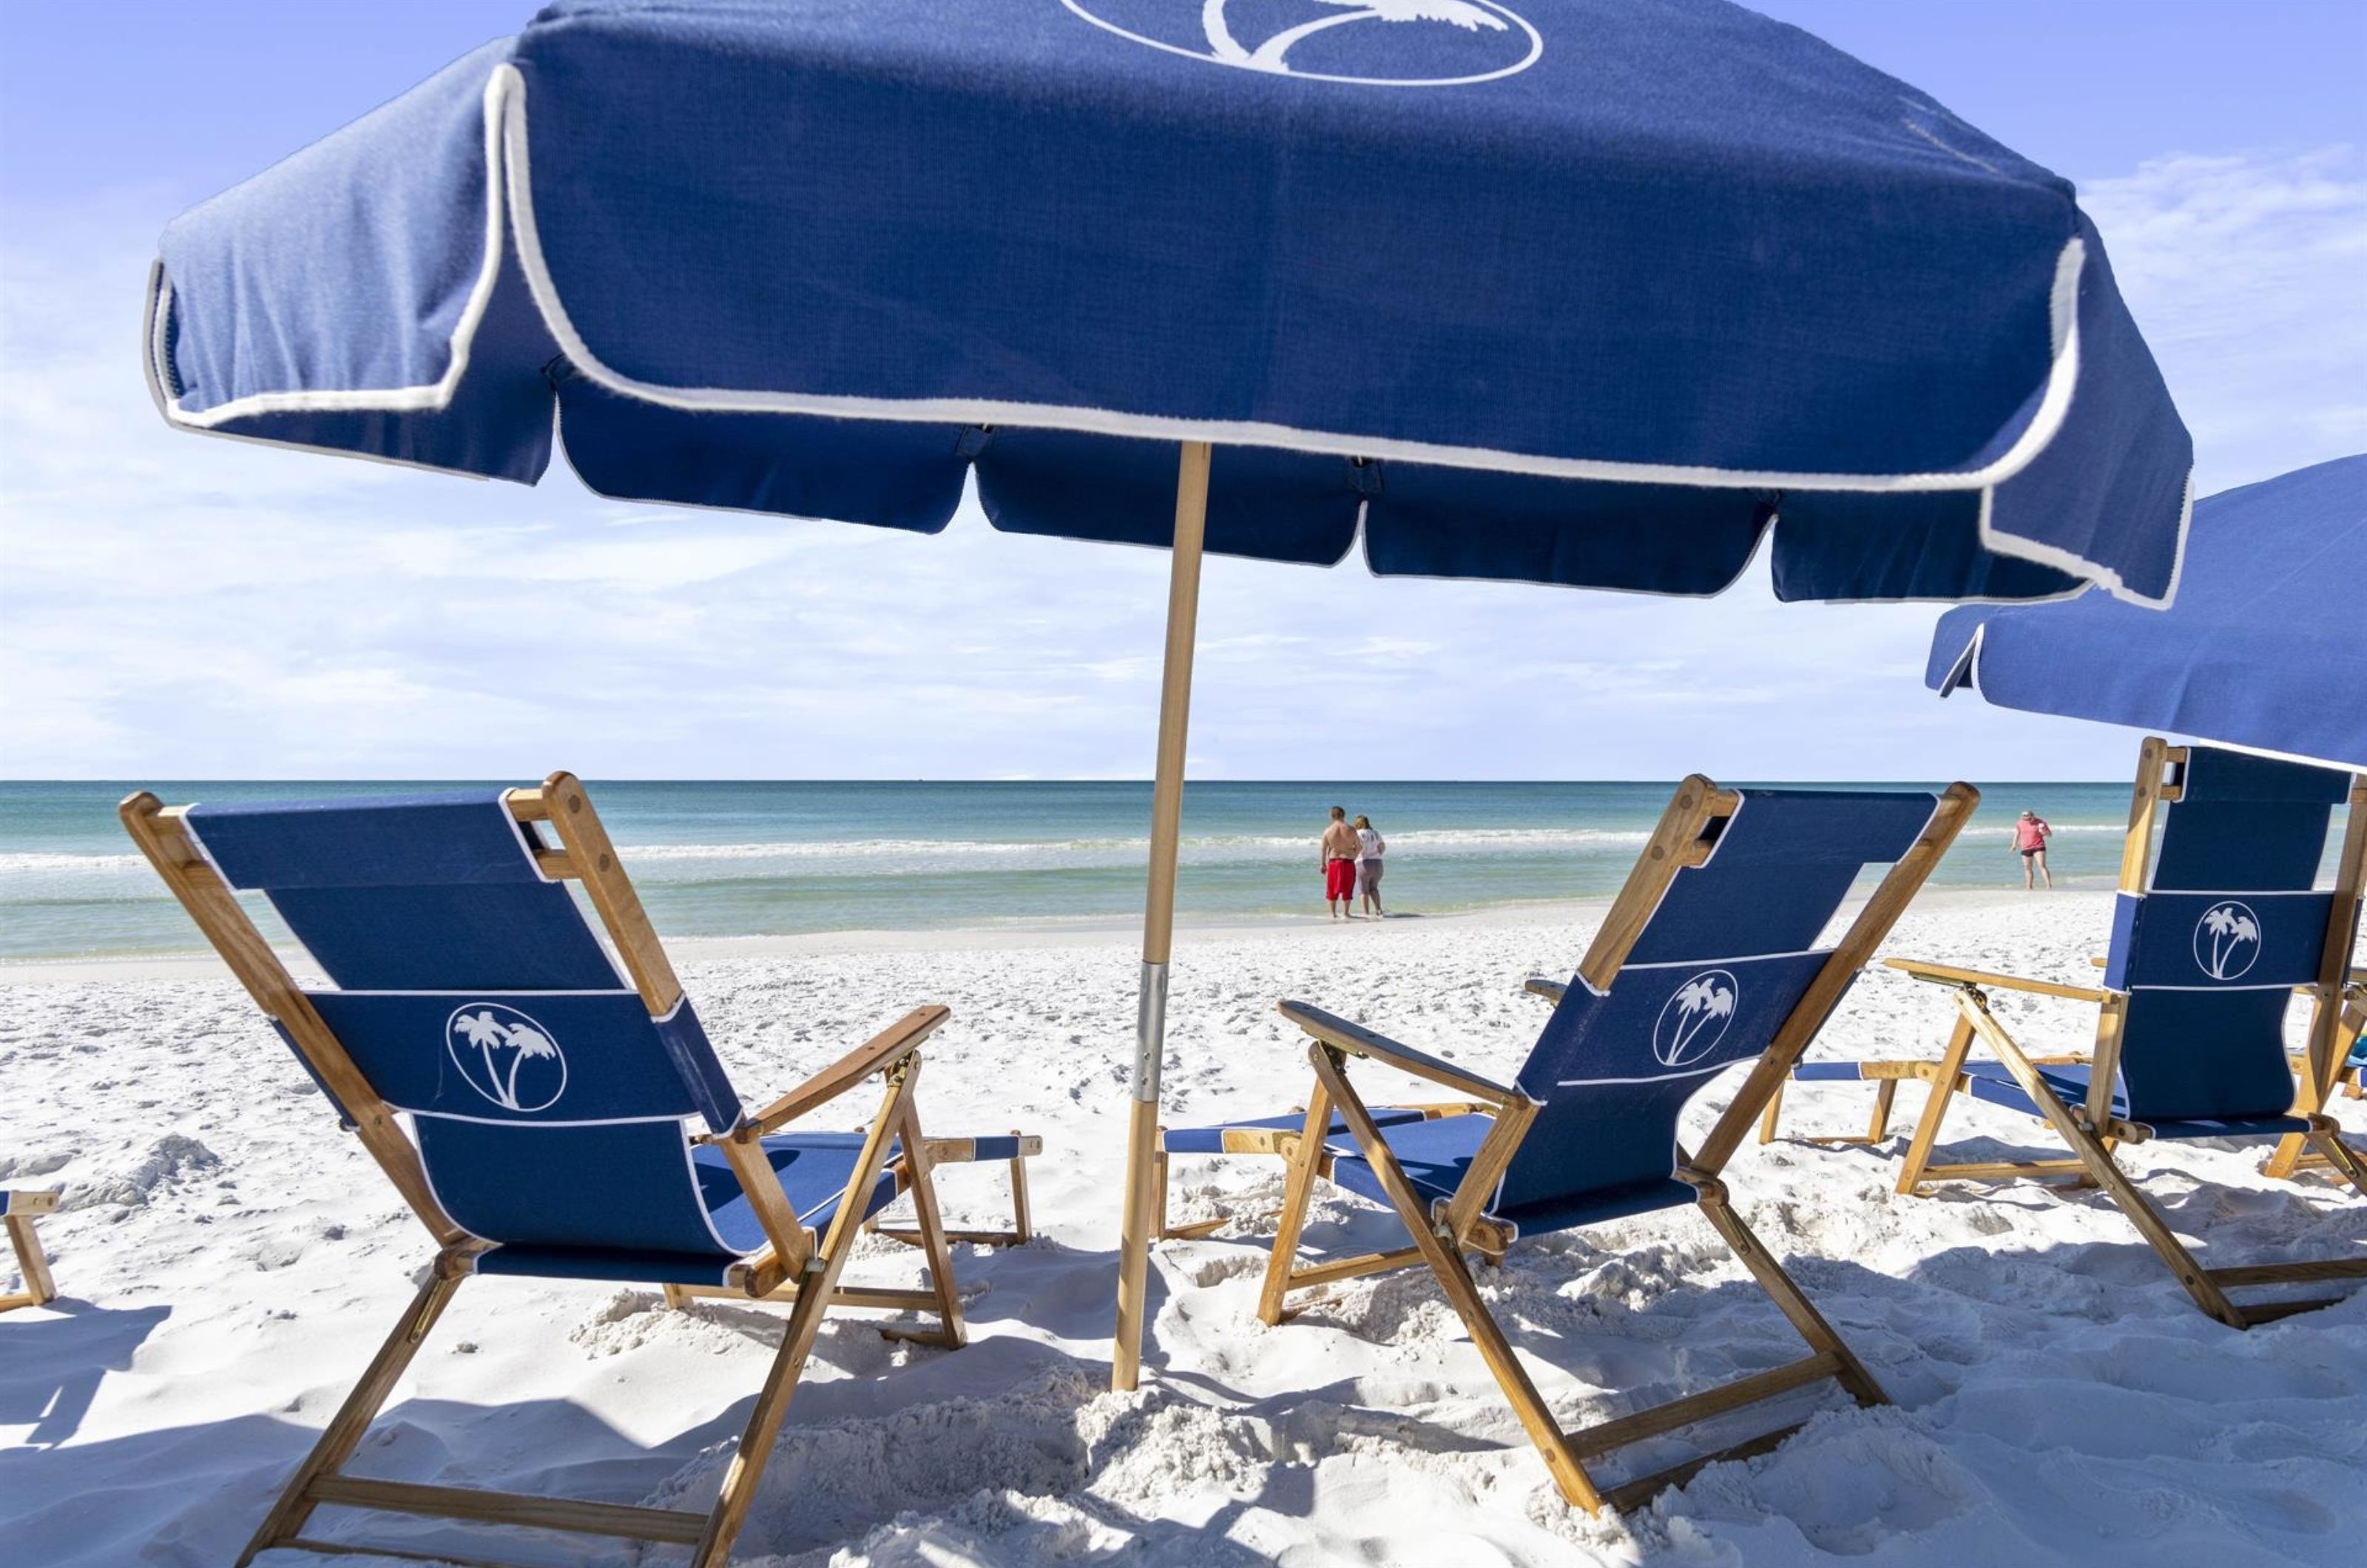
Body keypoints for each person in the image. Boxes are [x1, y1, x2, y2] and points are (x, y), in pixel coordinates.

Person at [1320, 806, 1361, 919]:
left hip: (1333, 862)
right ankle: (1346, 913)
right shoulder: (1351, 830)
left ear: (1331, 816)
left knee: (1331, 889)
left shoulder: (1328, 831)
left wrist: (1323, 863)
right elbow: (1359, 846)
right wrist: (1354, 855)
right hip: (1348, 861)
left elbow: (1323, 849)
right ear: (1344, 815)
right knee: (1348, 887)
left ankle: (1333, 914)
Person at [1353, 814, 1386, 918]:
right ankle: (1379, 910)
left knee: (1363, 891)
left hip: (1364, 863)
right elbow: (1383, 847)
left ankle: (1366, 913)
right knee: (1374, 888)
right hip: (1378, 863)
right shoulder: (1376, 833)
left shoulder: (1358, 833)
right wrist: (1377, 854)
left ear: (1357, 824)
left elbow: (1359, 847)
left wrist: (1353, 857)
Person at [2013, 808, 2053, 889]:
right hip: (2026, 847)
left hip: (2039, 846)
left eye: (2027, 817)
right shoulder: (2020, 823)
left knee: (2042, 865)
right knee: (2028, 868)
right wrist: (2014, 844)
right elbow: (2017, 833)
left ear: (2032, 816)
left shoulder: (2041, 822)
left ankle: (2048, 886)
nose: (2025, 819)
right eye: (2023, 817)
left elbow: (2050, 835)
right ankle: (2029, 887)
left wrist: (2044, 832)